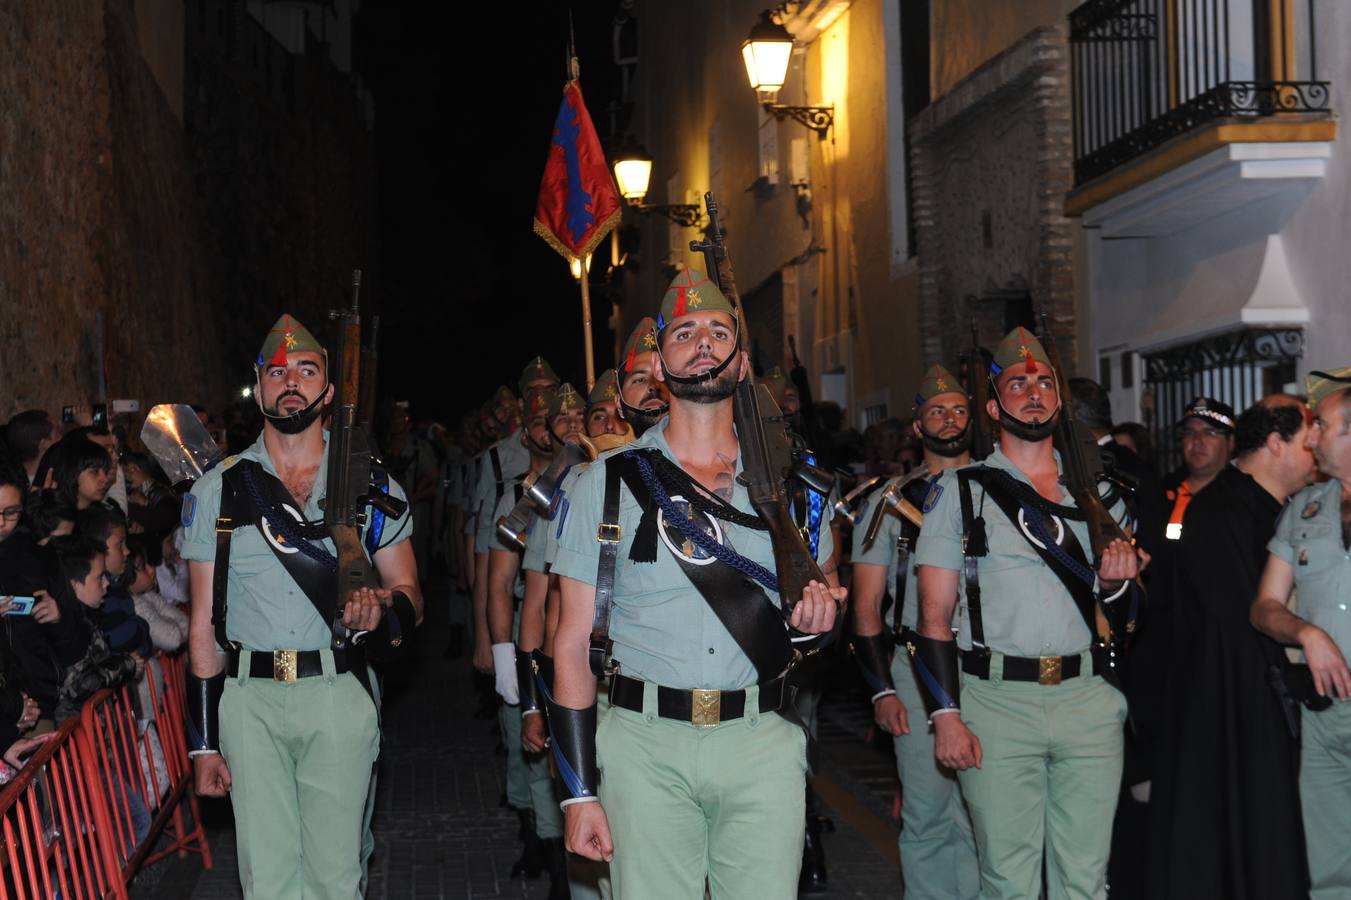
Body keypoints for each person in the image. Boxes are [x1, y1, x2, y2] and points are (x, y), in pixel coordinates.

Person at [550, 269, 845, 898]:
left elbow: (818, 625)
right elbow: (571, 644)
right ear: (659, 362)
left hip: (762, 739)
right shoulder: (603, 483)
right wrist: (578, 791)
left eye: (718, 330)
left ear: (741, 360)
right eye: (684, 332)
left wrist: (821, 623)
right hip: (643, 745)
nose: (702, 342)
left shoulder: (799, 489)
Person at [181, 313, 421, 898]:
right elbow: (202, 624)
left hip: (336, 690)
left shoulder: (373, 483)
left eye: (306, 371)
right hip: (249, 700)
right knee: (266, 879)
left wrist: (381, 608)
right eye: (277, 372)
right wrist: (205, 741)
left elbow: (411, 592)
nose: (291, 381)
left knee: (335, 877)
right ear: (258, 388)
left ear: (329, 391)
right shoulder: (218, 488)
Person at [913, 326, 1140, 899]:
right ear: (993, 406)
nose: (1033, 392)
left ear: (1059, 400)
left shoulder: (1101, 496)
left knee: (1085, 877)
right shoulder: (962, 493)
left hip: (1087, 696)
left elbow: (1131, 614)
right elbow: (934, 617)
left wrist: (1117, 586)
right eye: (1017, 383)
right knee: (1007, 879)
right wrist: (945, 716)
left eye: (1043, 382)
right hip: (996, 702)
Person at [1147, 395, 1314, 897]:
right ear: (1276, 444)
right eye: (1310, 443)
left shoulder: (1265, 506)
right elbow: (1235, 630)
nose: (1318, 452)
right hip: (1232, 711)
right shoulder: (1221, 514)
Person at [850, 363, 979, 899]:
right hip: (915, 667)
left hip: (987, 666)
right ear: (917, 427)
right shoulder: (889, 502)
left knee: (986, 814)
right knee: (927, 811)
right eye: (936, 412)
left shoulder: (1001, 493)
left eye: (958, 411)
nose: (948, 421)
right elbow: (866, 606)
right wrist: (881, 689)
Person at [1252, 367, 1351, 898]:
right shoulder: (1303, 510)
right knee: (1330, 872)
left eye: (1323, 426)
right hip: (1325, 717)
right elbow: (1265, 607)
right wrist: (1307, 633)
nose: (1309, 437)